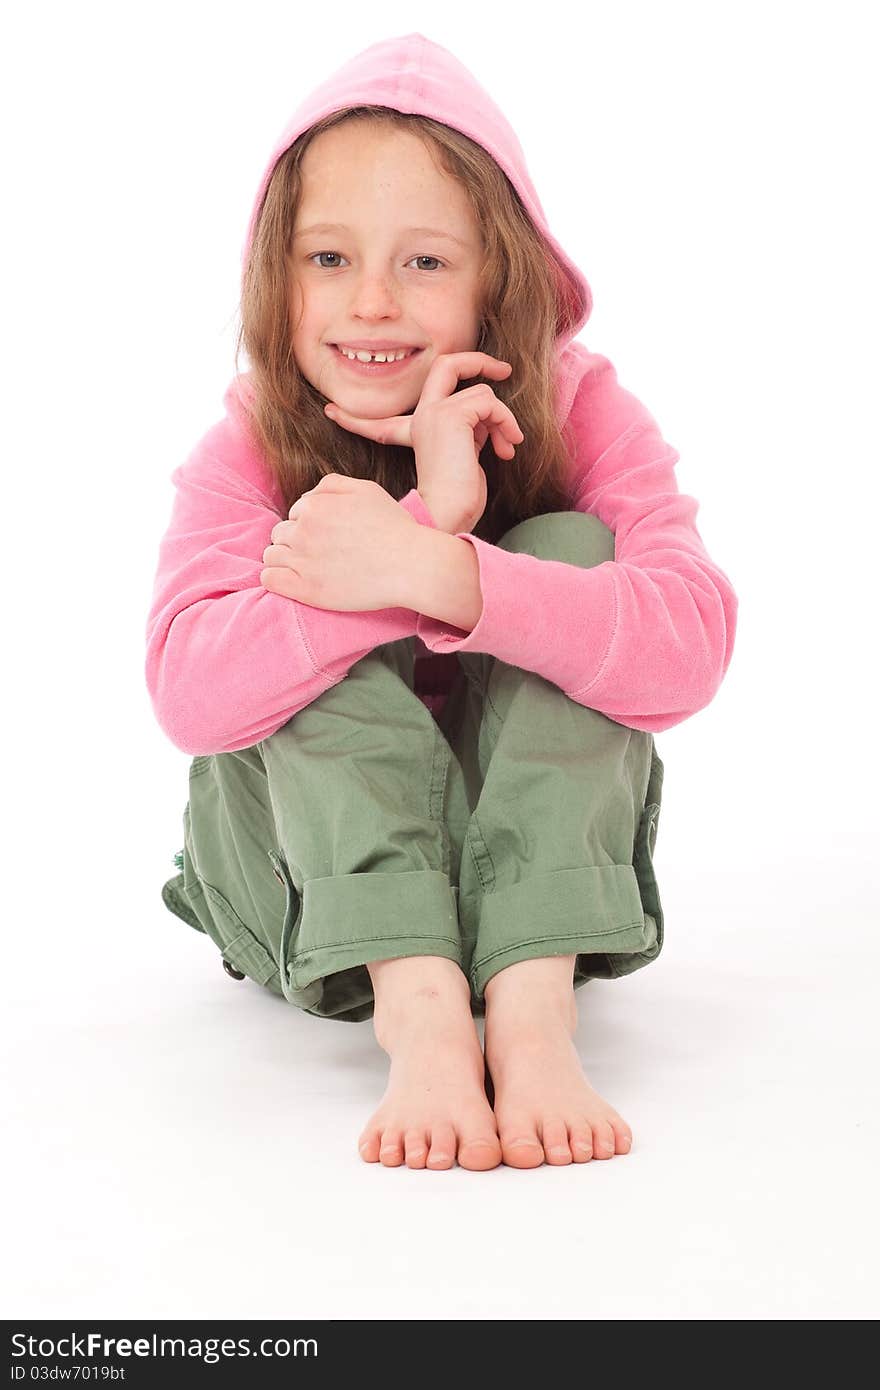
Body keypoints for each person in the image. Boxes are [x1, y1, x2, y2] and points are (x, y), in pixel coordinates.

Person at [145, 32, 738, 1172]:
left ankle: (528, 1001)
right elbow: (188, 694)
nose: (369, 302)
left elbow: (690, 646)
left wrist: (447, 574)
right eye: (327, 258)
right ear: (277, 276)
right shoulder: (248, 442)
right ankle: (416, 1005)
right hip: (299, 884)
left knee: (571, 546)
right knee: (287, 601)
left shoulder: (580, 406)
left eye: (423, 263)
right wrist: (413, 529)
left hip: (523, 875)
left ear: (496, 279)